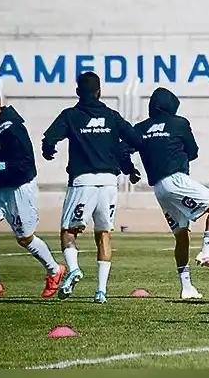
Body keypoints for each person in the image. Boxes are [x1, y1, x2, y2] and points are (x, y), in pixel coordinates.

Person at [42, 72, 143, 303]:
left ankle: (74, 269)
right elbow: (135, 140)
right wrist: (128, 167)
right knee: (103, 233)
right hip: (109, 182)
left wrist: (49, 151)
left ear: (78, 91)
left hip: (82, 181)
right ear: (99, 92)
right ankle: (101, 292)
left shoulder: (70, 115)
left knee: (69, 232)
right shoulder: (112, 116)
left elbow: (49, 139)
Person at [122, 87, 209, 300]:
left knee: (182, 235)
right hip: (176, 180)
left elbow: (121, 150)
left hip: (159, 189)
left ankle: (187, 288)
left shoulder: (141, 128)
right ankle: (207, 252)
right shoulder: (179, 123)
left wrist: (130, 170)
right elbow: (193, 151)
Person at [0, 86, 66, 299]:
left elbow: (26, 163)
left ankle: (55, 270)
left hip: (20, 187)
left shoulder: (14, 128)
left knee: (24, 239)